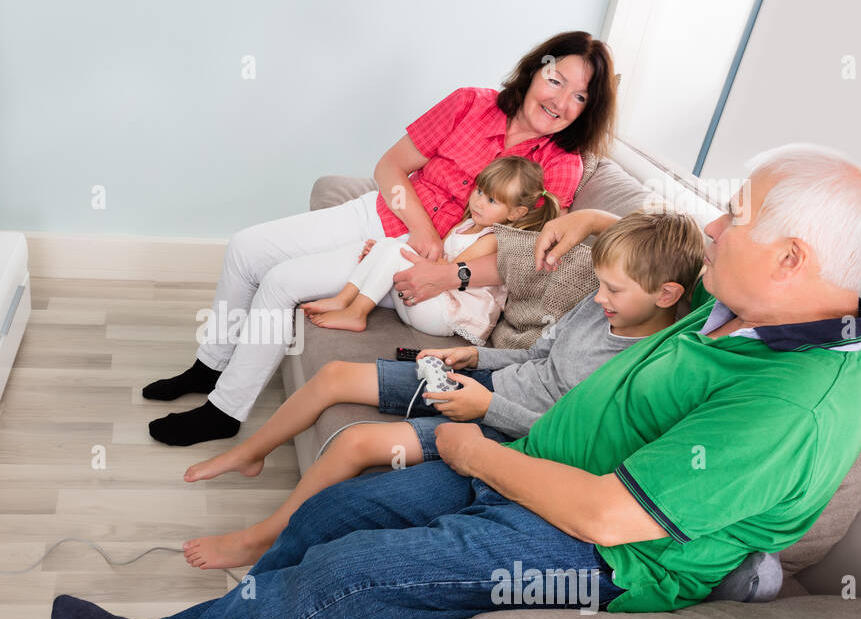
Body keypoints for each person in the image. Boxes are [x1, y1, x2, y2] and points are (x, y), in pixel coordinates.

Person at [53, 144, 861, 619]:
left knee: (362, 574)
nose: (713, 225)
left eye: (732, 218)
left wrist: (472, 449)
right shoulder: (750, 300)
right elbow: (647, 243)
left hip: (600, 555)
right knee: (335, 512)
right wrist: (591, 214)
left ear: (791, 257)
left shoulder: (794, 402)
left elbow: (607, 517)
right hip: (540, 473)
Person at [142, 30, 618, 447]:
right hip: (386, 214)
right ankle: (210, 364)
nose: (560, 101)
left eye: (579, 97)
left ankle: (224, 411)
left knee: (283, 282)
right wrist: (421, 228)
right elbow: (389, 167)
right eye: (556, 81)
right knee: (246, 247)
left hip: (412, 261)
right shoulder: (469, 103)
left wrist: (435, 262)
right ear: (535, 72)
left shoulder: (561, 165)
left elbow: (522, 251)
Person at [180, 210, 706, 569]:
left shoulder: (647, 363)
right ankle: (249, 453)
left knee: (353, 442)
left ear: (667, 294)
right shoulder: (596, 310)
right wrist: (476, 357)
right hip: (487, 384)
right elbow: (536, 357)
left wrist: (487, 406)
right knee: (336, 375)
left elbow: (571, 438)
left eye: (613, 289)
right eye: (600, 283)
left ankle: (260, 537)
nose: (600, 296)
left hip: (511, 433)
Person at [299, 156, 560, 338]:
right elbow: (435, 259)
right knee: (388, 246)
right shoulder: (464, 225)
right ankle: (343, 300)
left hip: (449, 316)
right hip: (428, 299)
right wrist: (379, 256)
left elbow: (444, 271)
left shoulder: (492, 239)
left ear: (515, 213)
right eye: (479, 192)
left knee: (393, 251)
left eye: (492, 201)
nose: (479, 203)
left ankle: (355, 313)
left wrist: (393, 257)